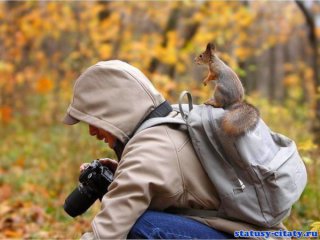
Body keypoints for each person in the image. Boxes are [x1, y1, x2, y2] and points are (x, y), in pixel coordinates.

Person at [63, 60, 285, 239]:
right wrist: (121, 172)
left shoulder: (148, 151)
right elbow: (177, 182)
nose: (92, 131)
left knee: (141, 226)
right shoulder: (176, 117)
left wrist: (128, 174)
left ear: (111, 110)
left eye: (93, 120)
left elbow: (106, 234)